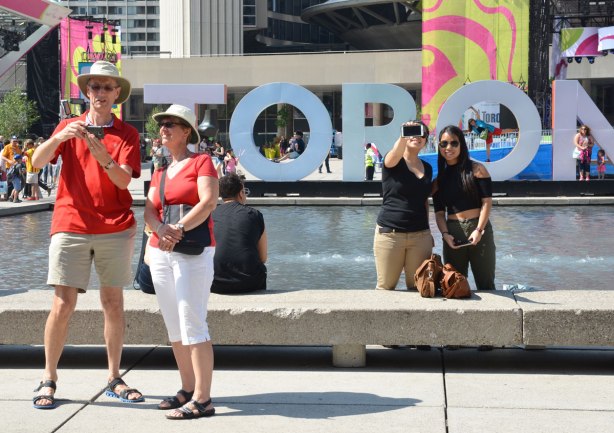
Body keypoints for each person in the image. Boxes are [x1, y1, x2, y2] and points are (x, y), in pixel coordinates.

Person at [30, 60, 143, 409]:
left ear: (117, 94)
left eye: (108, 87)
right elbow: (35, 163)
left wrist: (103, 156)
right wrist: (60, 137)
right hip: (71, 224)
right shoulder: (69, 126)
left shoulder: (126, 134)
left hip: (114, 226)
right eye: (96, 87)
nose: (101, 93)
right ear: (87, 92)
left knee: (113, 303)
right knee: (62, 303)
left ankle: (114, 376)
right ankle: (48, 378)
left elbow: (125, 181)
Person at [143, 104, 218, 420]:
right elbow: (148, 210)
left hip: (192, 251)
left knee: (193, 322)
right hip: (161, 251)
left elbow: (209, 201)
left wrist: (178, 228)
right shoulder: (160, 170)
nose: (164, 128)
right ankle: (187, 389)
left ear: (187, 131)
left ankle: (203, 399)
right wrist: (161, 229)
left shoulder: (201, 161)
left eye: (171, 124)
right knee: (174, 324)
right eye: (162, 124)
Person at [433, 125, 495, 290]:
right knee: (454, 285)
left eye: (454, 143)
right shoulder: (439, 181)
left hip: (478, 230)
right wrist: (445, 235)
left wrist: (479, 230)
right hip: (452, 233)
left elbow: (487, 202)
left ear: (462, 145)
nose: (449, 148)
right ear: (439, 147)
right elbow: (439, 214)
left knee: (486, 284)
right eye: (444, 144)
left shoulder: (477, 170)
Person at [373, 120, 434, 291]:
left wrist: (429, 231)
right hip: (390, 234)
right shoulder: (392, 161)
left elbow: (424, 201)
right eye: (412, 132)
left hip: (420, 235)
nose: (417, 137)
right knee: (386, 286)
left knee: (419, 287)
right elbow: (396, 151)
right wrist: (404, 133)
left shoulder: (427, 168)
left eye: (422, 134)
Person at [211, 172, 267, 294]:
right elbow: (263, 257)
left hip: (215, 283)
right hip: (250, 282)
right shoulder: (255, 215)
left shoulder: (210, 215)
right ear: (241, 193)